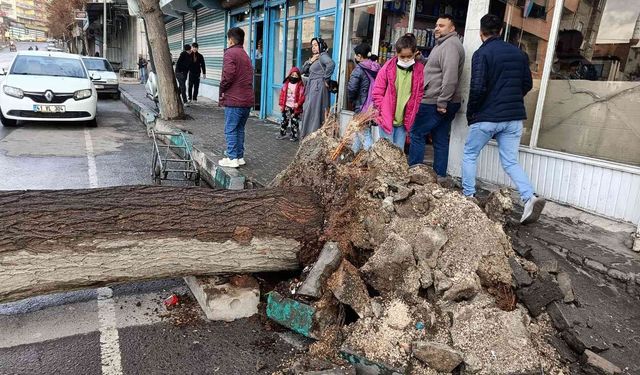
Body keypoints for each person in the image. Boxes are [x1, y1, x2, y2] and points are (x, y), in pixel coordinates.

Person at [462, 14, 546, 225]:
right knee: (510, 161)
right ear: (500, 30)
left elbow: (478, 87)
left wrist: (471, 113)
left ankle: (469, 197)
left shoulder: (482, 53)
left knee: (470, 154)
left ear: (481, 33)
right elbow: (527, 84)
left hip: (487, 116)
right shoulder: (519, 54)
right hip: (513, 117)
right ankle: (529, 197)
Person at [408, 14, 465, 177]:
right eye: (436, 25)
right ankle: (439, 177)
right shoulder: (443, 44)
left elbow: (450, 76)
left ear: (452, 28)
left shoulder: (451, 46)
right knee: (440, 139)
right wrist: (422, 59)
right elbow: (437, 68)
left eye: (442, 26)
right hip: (441, 100)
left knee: (417, 133)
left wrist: (442, 102)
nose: (437, 28)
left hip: (436, 100)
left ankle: (416, 175)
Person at [371, 34, 425, 149]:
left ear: (415, 53)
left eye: (409, 56)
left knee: (399, 152)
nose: (406, 59)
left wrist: (414, 109)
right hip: (387, 118)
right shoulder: (387, 68)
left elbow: (419, 92)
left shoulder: (419, 70)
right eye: (402, 57)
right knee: (388, 154)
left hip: (404, 120)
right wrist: (382, 109)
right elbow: (377, 92)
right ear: (396, 53)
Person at [218, 27, 254, 169]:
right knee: (239, 129)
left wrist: (222, 88)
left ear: (231, 39)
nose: (228, 42)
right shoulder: (245, 55)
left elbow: (228, 75)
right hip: (247, 100)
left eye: (228, 39)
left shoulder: (230, 53)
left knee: (230, 129)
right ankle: (239, 157)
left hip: (234, 99)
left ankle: (232, 158)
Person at [299, 38, 335, 139]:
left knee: (314, 110)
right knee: (310, 109)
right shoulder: (315, 57)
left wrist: (326, 79)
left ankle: (314, 135)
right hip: (313, 87)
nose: (313, 47)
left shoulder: (323, 56)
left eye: (315, 45)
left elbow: (331, 64)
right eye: (312, 45)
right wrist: (311, 61)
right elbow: (302, 70)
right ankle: (309, 135)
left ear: (321, 45)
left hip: (318, 87)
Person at [347, 43, 381, 152]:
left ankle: (370, 156)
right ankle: (354, 152)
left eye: (356, 55)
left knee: (365, 133)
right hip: (373, 105)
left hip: (362, 106)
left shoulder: (359, 70)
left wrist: (352, 100)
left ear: (360, 56)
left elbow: (352, 88)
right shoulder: (376, 67)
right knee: (359, 130)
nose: (355, 57)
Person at [278, 67, 305, 142]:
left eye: (296, 76)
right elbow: (282, 95)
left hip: (295, 107)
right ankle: (282, 134)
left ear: (298, 76)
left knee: (294, 122)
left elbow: (303, 96)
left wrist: (298, 104)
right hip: (286, 106)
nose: (294, 77)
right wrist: (281, 105)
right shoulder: (286, 84)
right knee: (284, 121)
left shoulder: (300, 85)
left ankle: (294, 136)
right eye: (292, 75)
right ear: (289, 75)